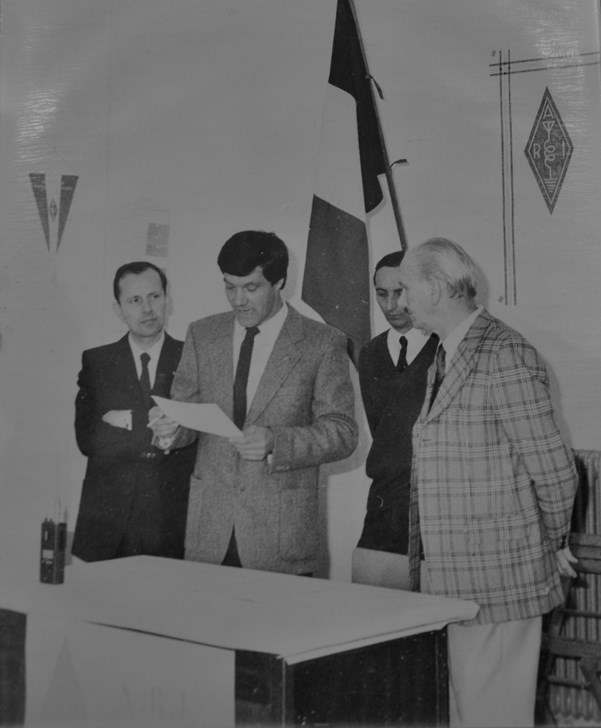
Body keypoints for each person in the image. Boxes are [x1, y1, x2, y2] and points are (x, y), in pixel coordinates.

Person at [397, 237, 578, 727]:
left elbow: (556, 469)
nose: (401, 300)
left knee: (493, 716)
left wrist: (552, 542)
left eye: (406, 288)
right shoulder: (450, 353)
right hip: (459, 581)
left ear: (436, 288)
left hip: (501, 579)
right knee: (471, 714)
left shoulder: (504, 353)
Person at [150, 230, 358, 577]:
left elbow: (343, 432)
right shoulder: (203, 334)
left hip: (279, 537)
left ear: (279, 283)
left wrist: (277, 441)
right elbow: (186, 416)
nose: (238, 300)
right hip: (208, 533)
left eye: (251, 287)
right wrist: (168, 430)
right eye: (229, 286)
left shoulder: (323, 342)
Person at [71, 261, 196, 562]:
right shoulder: (97, 362)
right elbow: (88, 438)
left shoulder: (192, 358)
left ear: (167, 300)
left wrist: (122, 420)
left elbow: (200, 437)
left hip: (171, 522)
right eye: (135, 300)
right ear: (118, 309)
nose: (147, 309)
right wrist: (146, 423)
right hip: (107, 523)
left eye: (154, 296)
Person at [352, 251, 438, 589]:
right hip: (384, 507)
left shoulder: (445, 349)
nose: (390, 306)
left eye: (399, 292)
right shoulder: (371, 354)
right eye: (381, 293)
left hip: (434, 508)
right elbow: (383, 435)